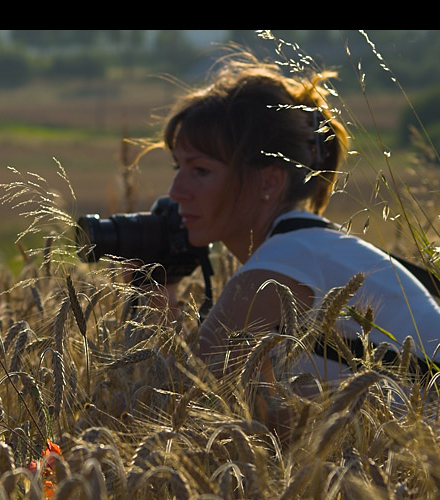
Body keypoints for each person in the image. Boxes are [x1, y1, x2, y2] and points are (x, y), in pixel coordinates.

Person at [137, 53, 440, 392]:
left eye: (201, 171)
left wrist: (154, 296)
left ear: (269, 182)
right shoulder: (316, 246)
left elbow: (180, 400)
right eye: (178, 168)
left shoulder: (278, 267)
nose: (176, 192)